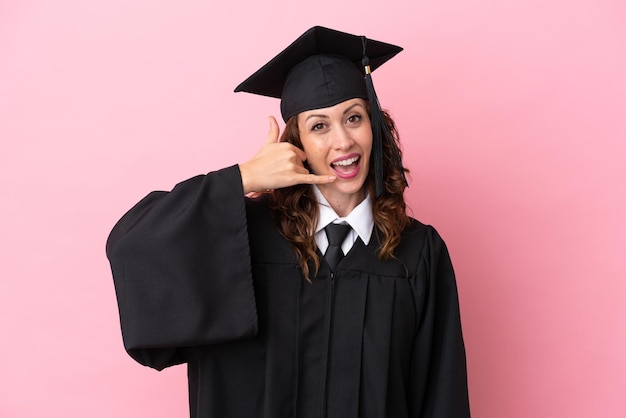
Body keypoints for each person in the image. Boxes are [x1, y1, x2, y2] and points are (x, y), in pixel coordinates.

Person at [106, 26, 470, 418]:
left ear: (374, 128)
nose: (343, 141)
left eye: (353, 118)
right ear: (296, 143)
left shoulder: (418, 254)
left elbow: (441, 394)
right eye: (319, 126)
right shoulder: (242, 237)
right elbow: (133, 246)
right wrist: (243, 178)